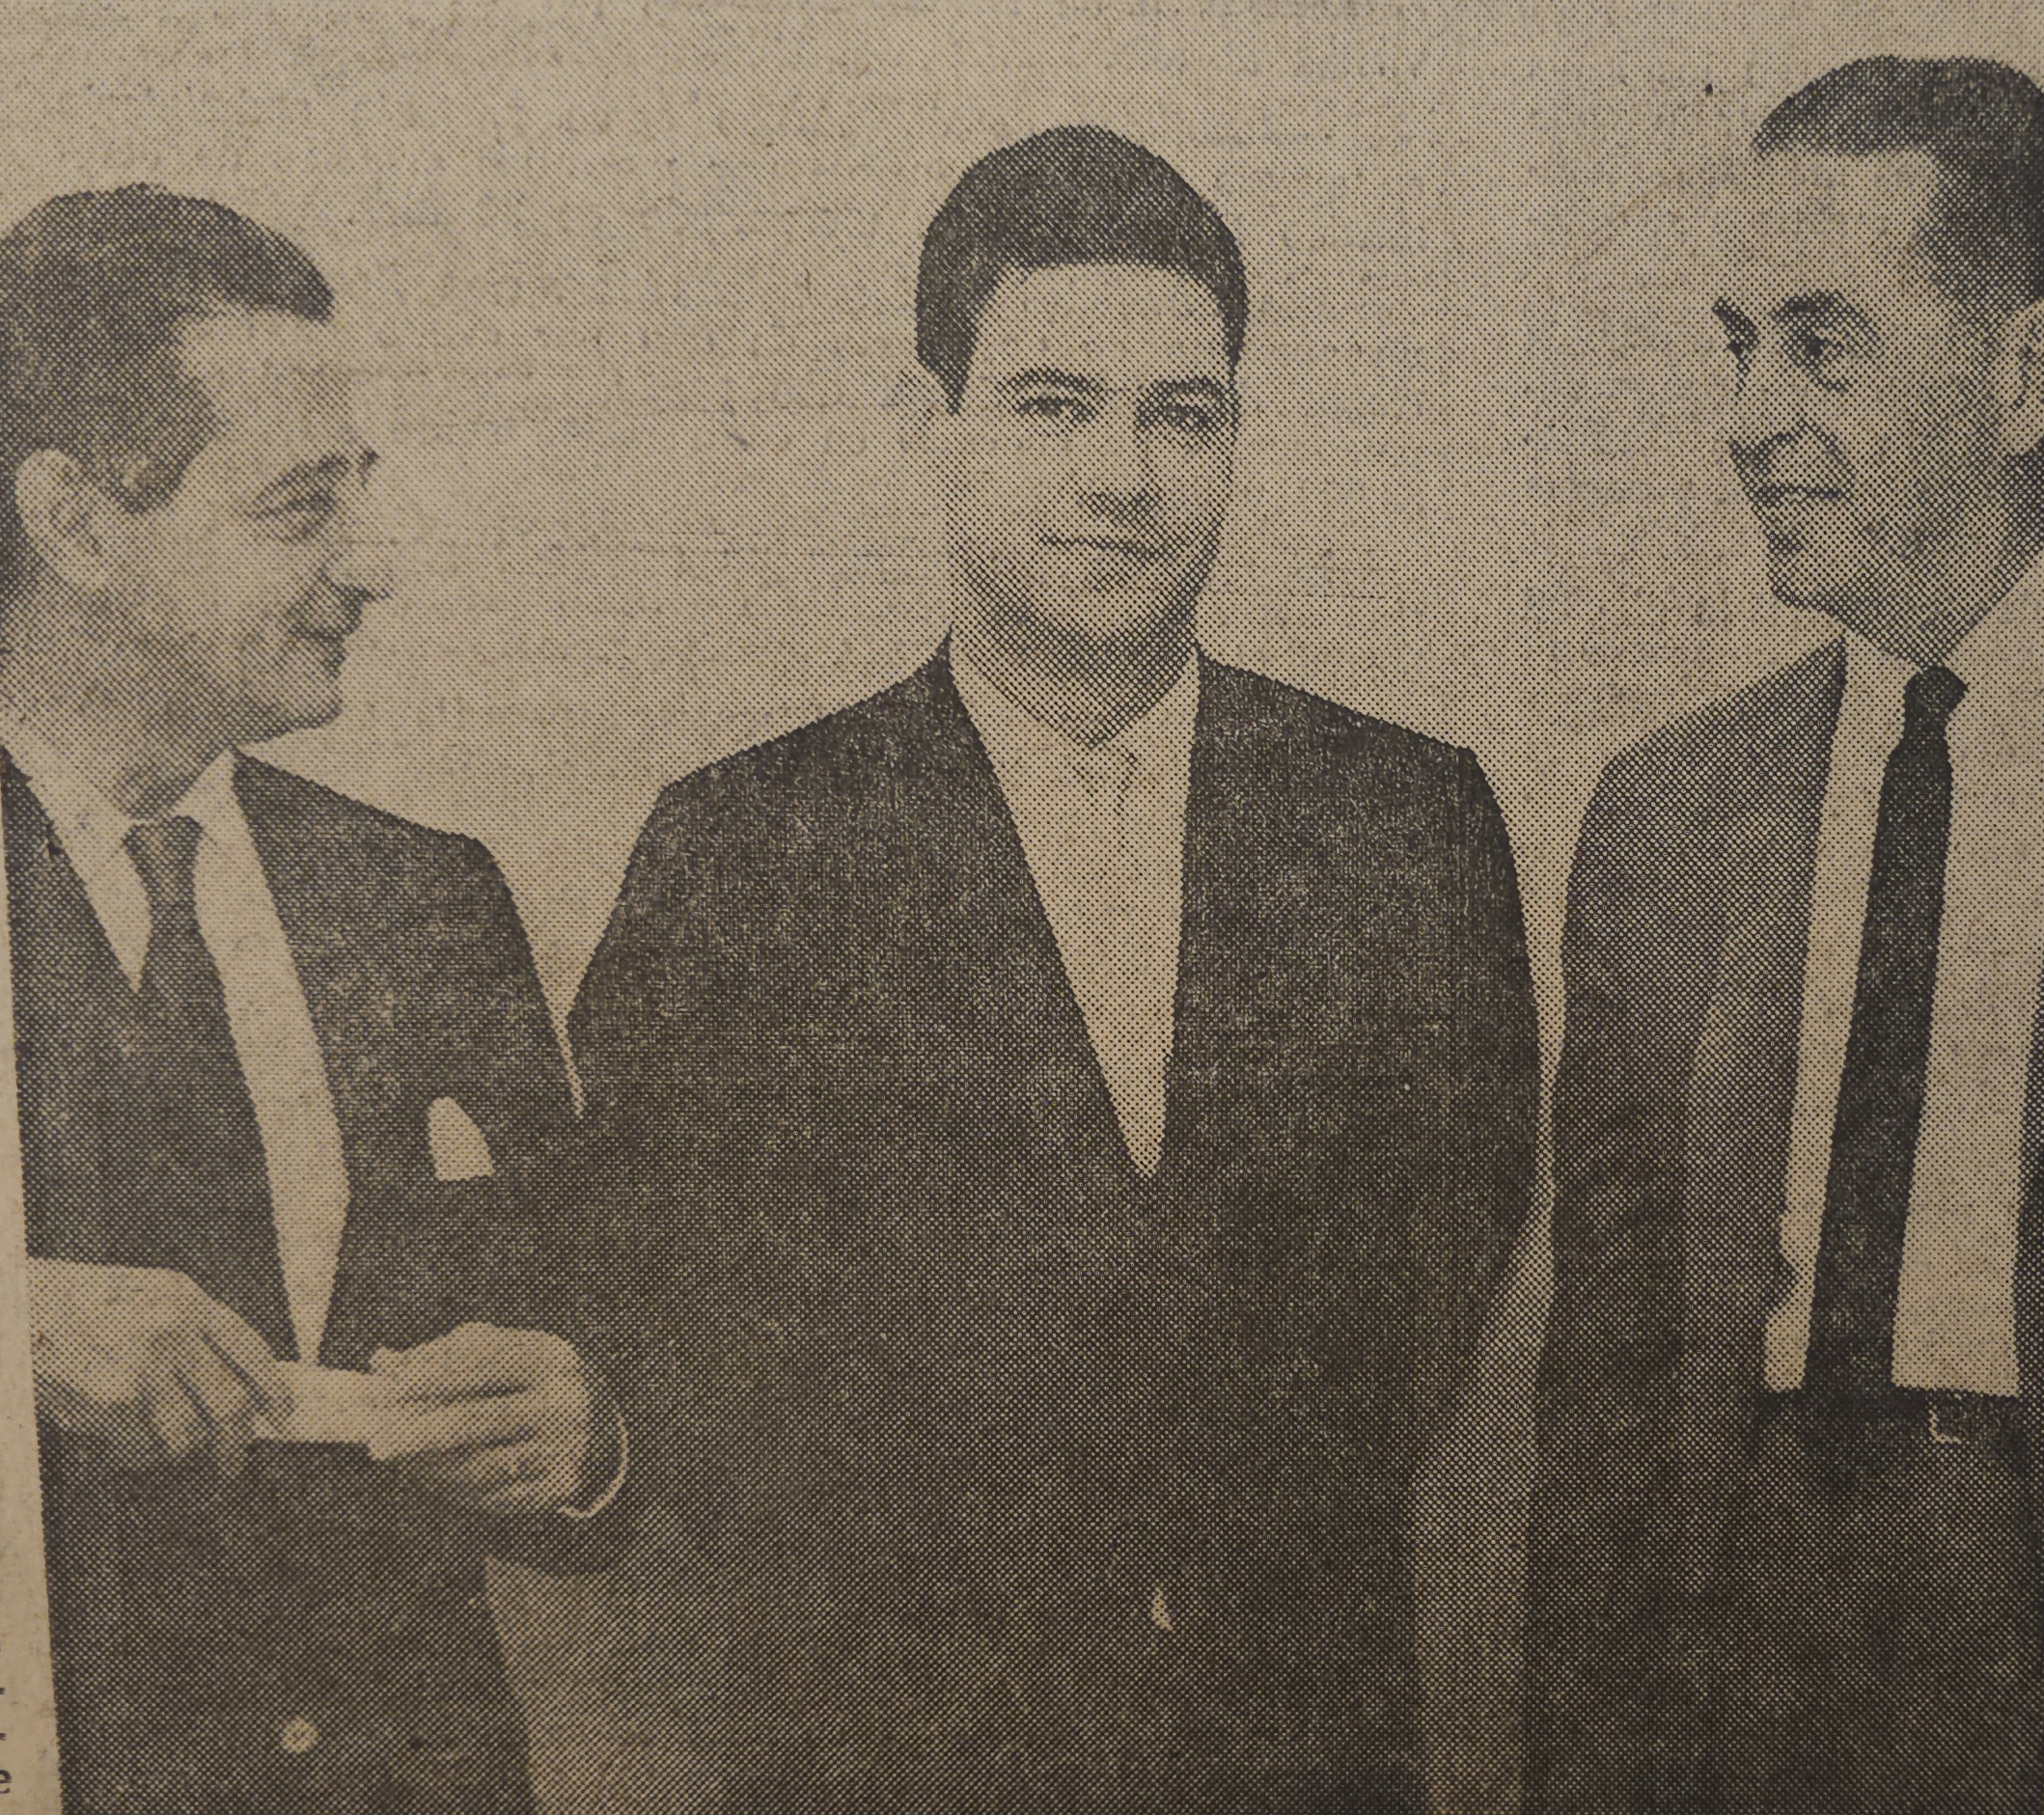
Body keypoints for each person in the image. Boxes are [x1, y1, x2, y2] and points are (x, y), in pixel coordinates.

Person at [573, 125, 1539, 1812]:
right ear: (924, 424)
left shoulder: (1408, 817)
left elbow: (1414, 1303)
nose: (1124, 475)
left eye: (1184, 414)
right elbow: (698, 1342)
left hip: (1294, 1748)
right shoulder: (742, 847)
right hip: (900, 1752)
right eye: (1052, 404)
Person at [9, 186, 623, 1814]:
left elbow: (610, 1337)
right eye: (299, 510)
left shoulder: (426, 895)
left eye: (361, 498)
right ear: (72, 522)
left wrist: (590, 1429)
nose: (373, 564)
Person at [1529, 57, 2044, 1815]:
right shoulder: (1665, 817)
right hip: (1740, 1623)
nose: (1750, 416)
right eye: (1736, 345)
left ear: (2024, 372)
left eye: (1823, 347)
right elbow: (1597, 1407)